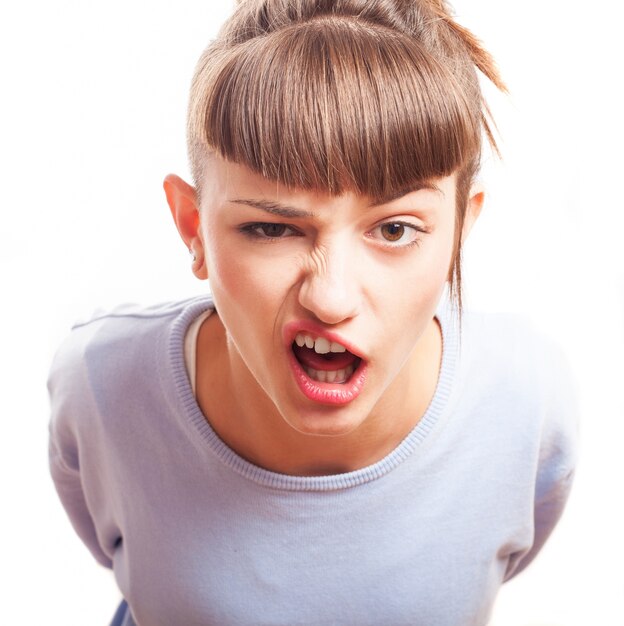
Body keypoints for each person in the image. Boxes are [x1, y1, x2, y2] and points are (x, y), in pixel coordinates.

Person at [47, 1, 578, 624]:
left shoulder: (524, 397)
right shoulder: (104, 381)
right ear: (193, 228)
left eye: (396, 230)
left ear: (459, 233)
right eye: (271, 228)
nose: (330, 298)